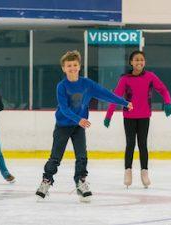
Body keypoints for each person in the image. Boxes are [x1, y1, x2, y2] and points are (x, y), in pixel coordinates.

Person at [35, 50, 133, 202]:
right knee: (55, 157)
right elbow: (64, 109)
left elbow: (106, 94)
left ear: (79, 66)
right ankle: (46, 181)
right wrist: (78, 119)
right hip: (63, 125)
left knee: (82, 156)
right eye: (69, 66)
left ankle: (80, 182)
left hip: (78, 127)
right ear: (64, 68)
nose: (72, 68)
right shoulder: (61, 86)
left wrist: (125, 103)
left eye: (75, 65)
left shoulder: (87, 84)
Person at [104, 50, 171, 188]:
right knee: (130, 144)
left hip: (144, 116)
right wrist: (108, 115)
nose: (139, 62)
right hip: (129, 116)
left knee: (142, 144)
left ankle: (144, 172)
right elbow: (115, 97)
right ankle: (127, 171)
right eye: (136, 60)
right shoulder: (125, 79)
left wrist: (168, 102)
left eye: (141, 59)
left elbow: (163, 89)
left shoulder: (150, 76)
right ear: (131, 62)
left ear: (144, 62)